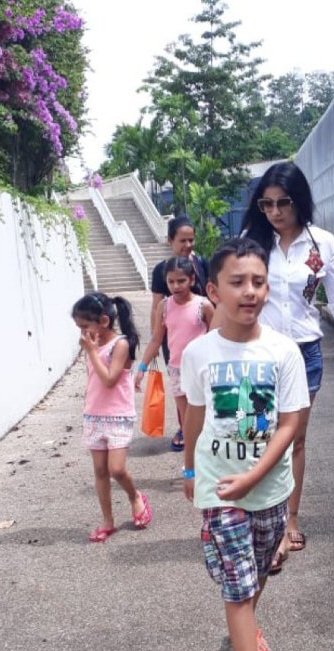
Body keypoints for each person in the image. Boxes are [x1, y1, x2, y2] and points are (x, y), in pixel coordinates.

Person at [180, 238, 309, 651]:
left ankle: (248, 624)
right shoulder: (198, 353)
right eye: (237, 282)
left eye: (258, 281)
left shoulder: (282, 350)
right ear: (213, 289)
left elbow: (290, 424)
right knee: (237, 585)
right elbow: (192, 414)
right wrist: (189, 467)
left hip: (270, 489)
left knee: (256, 574)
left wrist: (257, 476)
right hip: (219, 488)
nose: (250, 291)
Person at [240, 162, 334, 571]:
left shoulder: (322, 244)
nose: (275, 212)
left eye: (283, 203)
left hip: (304, 354)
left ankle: (288, 520)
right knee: (255, 435)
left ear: (300, 201)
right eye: (267, 204)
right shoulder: (252, 241)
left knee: (294, 440)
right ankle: (255, 516)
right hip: (256, 352)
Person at [72, 293, 153, 543]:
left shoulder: (121, 344)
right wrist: (92, 350)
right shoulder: (93, 344)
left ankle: (135, 496)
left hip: (117, 415)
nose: (83, 332)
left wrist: (92, 352)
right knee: (100, 470)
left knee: (116, 469)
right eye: (80, 328)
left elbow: (109, 379)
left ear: (104, 321)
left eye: (85, 326)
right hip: (94, 415)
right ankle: (108, 520)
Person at [136, 258, 214, 448]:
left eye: (181, 281)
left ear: (192, 280)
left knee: (208, 417)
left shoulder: (204, 306)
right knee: (188, 420)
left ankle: (210, 461)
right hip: (177, 370)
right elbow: (156, 339)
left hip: (202, 370)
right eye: (171, 282)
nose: (176, 286)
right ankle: (193, 466)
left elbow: (215, 338)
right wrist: (141, 368)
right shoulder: (164, 306)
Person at [150, 216, 209, 445]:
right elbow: (156, 304)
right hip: (173, 337)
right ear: (170, 241)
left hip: (200, 336)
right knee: (180, 386)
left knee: (203, 387)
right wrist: (155, 337)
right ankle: (186, 429)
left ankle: (205, 430)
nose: (188, 245)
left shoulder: (202, 264)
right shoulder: (160, 270)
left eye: (191, 240)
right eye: (182, 240)